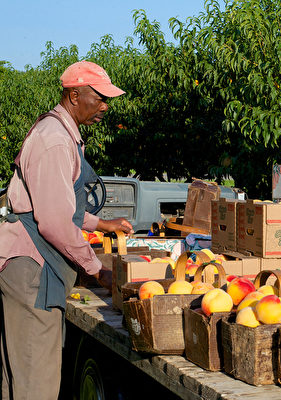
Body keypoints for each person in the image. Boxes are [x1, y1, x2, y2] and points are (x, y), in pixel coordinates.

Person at [0, 60, 134, 399]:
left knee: (17, 376)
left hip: (28, 266)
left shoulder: (62, 134)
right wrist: (97, 270)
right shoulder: (55, 141)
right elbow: (55, 223)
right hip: (33, 272)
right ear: (74, 95)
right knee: (36, 384)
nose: (105, 106)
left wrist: (101, 224)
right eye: (99, 97)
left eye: (108, 100)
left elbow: (57, 205)